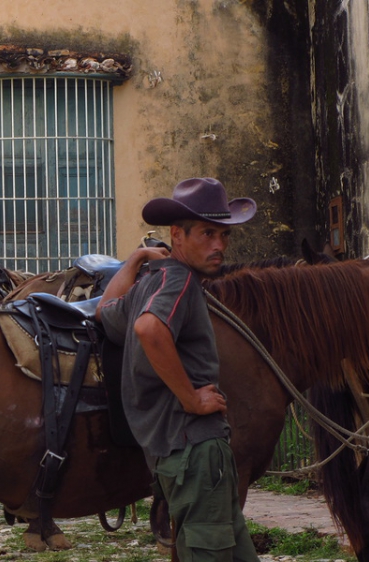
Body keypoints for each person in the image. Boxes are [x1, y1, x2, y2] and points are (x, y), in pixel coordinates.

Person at [95, 177, 260, 561]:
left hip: (181, 456)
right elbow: (149, 329)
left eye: (224, 235)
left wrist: (135, 260)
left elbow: (104, 312)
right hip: (195, 451)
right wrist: (192, 400)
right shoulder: (179, 280)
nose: (219, 245)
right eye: (207, 233)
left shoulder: (150, 284)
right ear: (177, 236)